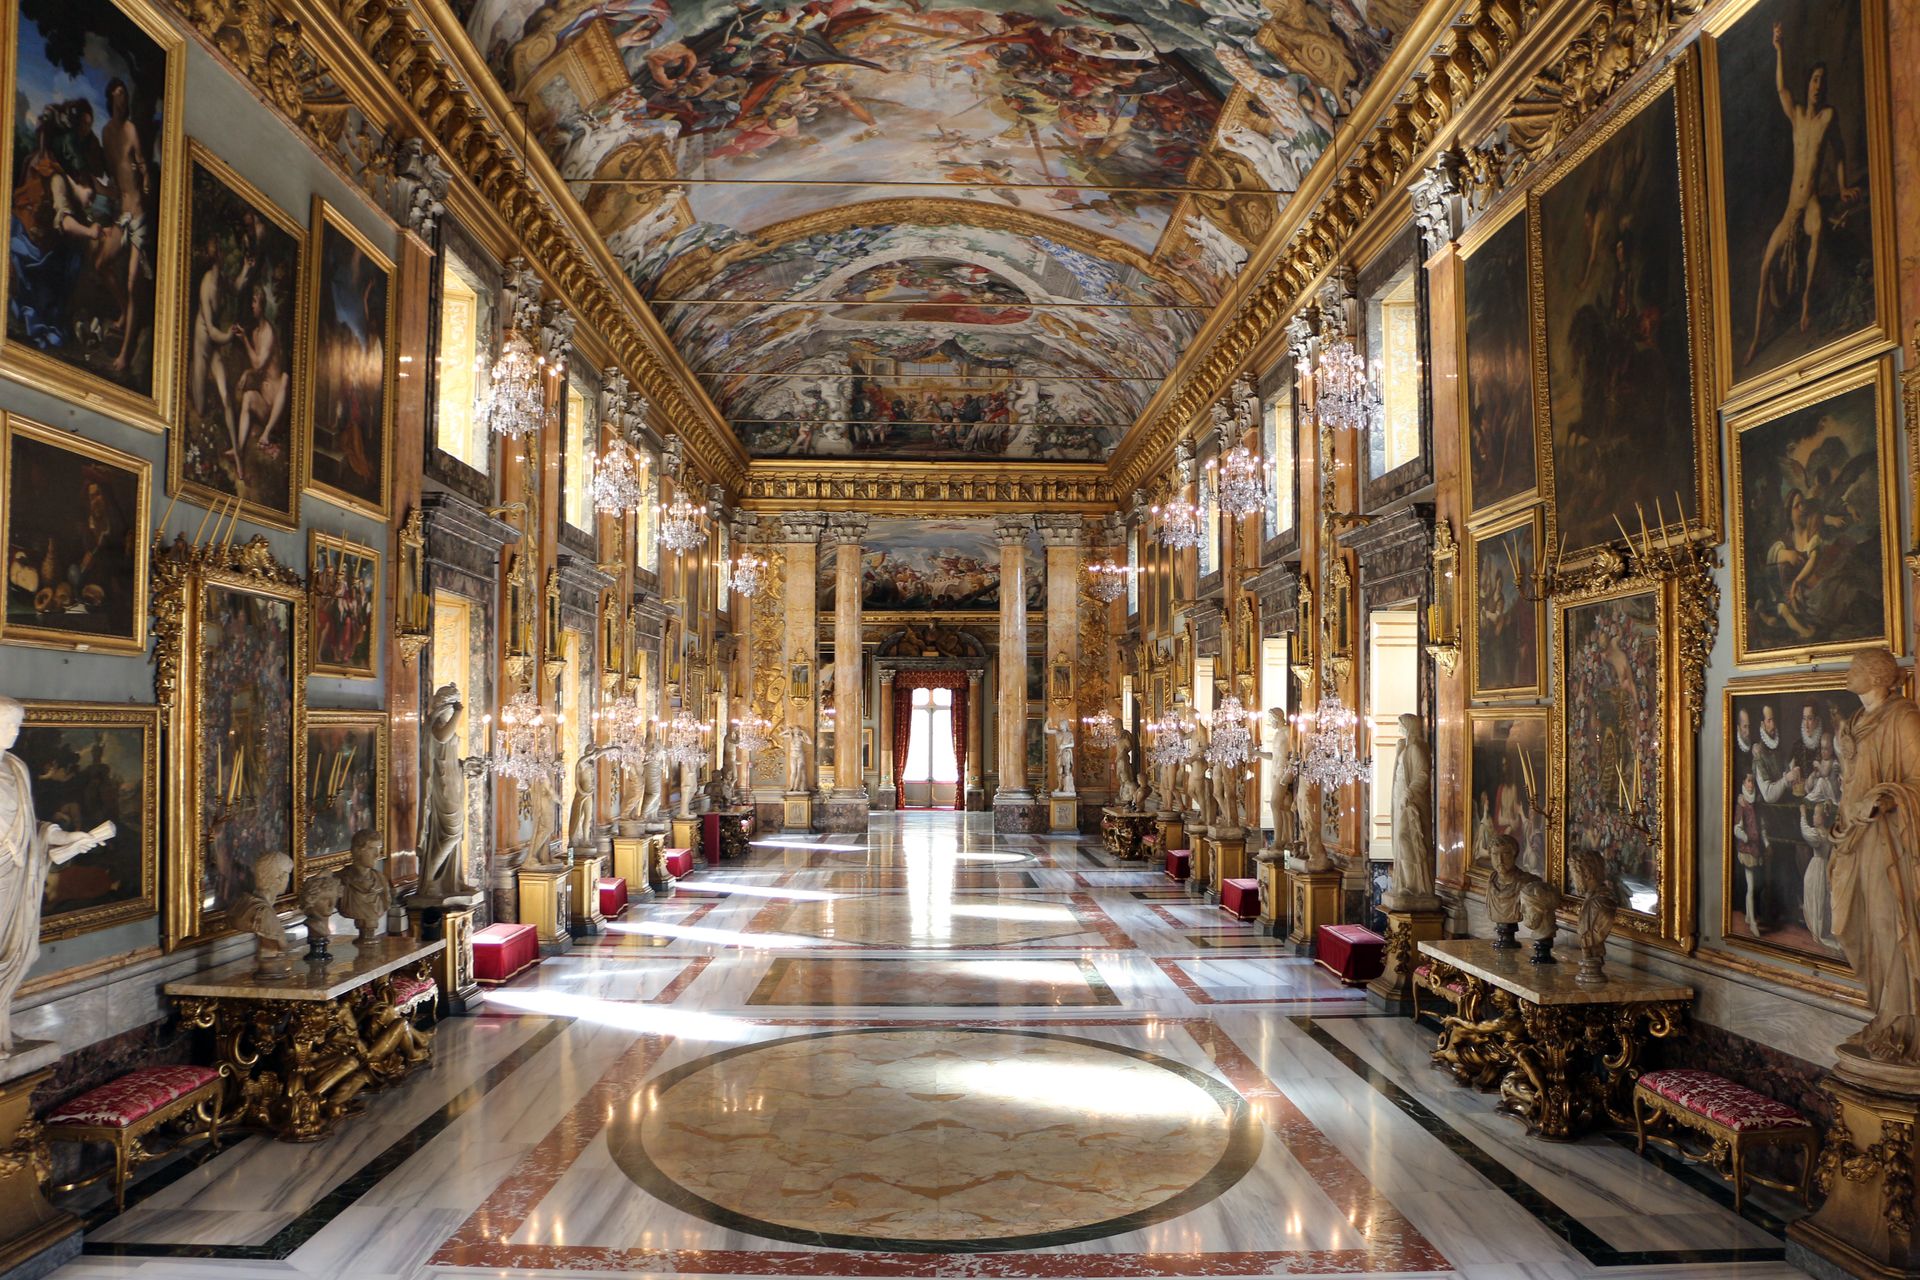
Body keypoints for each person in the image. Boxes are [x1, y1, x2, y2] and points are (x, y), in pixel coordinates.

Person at [0, 697, 114, 1054]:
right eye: (9, 724)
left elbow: (28, 825)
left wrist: (61, 837)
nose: (16, 733)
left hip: (18, 877)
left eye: (18, 725)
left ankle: (1, 1023)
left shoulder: (16, 767)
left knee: (25, 951)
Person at [1742, 22, 1861, 367]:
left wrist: (1841, 187)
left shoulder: (1827, 118)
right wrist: (1778, 49)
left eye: (1823, 81)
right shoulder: (1796, 117)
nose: (1818, 86)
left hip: (1809, 202)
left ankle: (1807, 302)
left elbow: (1838, 153)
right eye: (1814, 79)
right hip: (1790, 208)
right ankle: (1754, 340)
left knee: (1819, 232)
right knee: (1765, 267)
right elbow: (1780, 88)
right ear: (1808, 83)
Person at [1828, 648, 1920, 1062]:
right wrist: (1842, 819)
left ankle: (1901, 1024)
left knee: (1889, 926)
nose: (1848, 674)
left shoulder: (1903, 717)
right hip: (1856, 840)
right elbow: (1850, 784)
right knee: (1859, 923)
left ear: (1877, 677)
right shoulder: (1853, 723)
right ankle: (1884, 1017)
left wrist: (1885, 797)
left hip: (1890, 843)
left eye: (1855, 668)